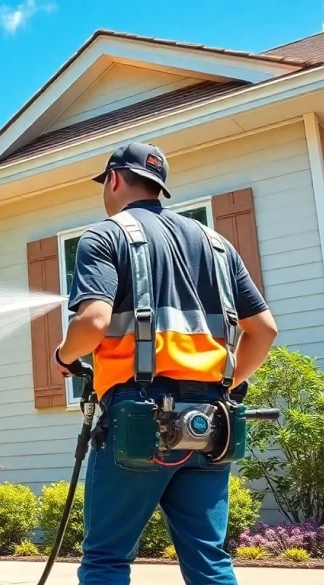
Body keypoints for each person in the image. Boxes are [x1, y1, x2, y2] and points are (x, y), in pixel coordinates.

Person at [54, 142, 279, 585]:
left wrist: (64, 355)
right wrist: (228, 388)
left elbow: (94, 321)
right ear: (159, 187)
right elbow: (265, 331)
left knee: (105, 560)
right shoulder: (217, 245)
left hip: (139, 421)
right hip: (212, 424)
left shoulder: (106, 235)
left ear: (114, 179)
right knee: (209, 560)